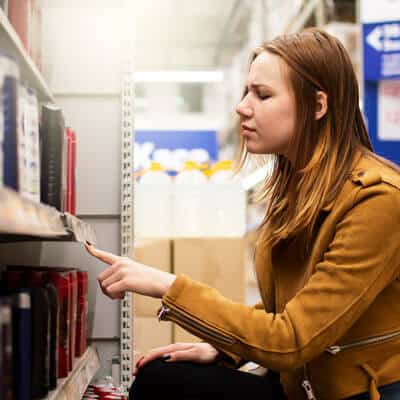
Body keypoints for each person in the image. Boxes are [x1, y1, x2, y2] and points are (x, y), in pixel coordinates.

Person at [85, 28, 400, 400]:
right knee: (163, 374)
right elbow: (291, 308)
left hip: (350, 395)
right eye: (246, 91)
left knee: (161, 384)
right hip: (298, 384)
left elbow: (293, 338)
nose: (242, 106)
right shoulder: (300, 189)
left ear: (318, 105)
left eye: (262, 94)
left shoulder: (377, 200)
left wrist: (168, 286)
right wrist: (226, 349)